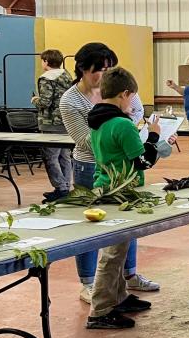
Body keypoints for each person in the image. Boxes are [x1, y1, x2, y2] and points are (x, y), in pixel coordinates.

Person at [61, 43, 164, 303]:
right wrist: (130, 141)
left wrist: (132, 138)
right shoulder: (71, 100)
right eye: (100, 70)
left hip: (125, 161)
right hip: (91, 166)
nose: (106, 74)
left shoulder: (118, 88)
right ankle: (89, 283)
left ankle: (127, 277)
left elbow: (136, 113)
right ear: (84, 69)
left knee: (127, 226)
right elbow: (86, 140)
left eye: (109, 69)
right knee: (92, 227)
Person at [84, 67, 163, 330]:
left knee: (121, 247)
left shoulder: (97, 121)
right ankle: (100, 310)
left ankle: (118, 297)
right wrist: (154, 136)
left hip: (104, 188)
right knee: (113, 253)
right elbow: (143, 162)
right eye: (132, 98)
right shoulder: (122, 124)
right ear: (125, 94)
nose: (132, 103)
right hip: (121, 192)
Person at [32, 49, 74, 201]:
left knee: (50, 157)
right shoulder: (67, 75)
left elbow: (45, 102)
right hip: (66, 121)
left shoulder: (46, 78)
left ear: (46, 62)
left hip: (51, 123)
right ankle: (66, 187)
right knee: (65, 156)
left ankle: (60, 187)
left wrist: (35, 100)